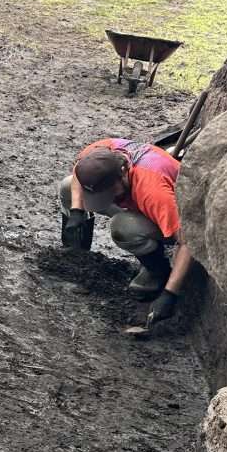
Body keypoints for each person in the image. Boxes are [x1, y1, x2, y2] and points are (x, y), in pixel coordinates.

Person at [59, 138, 192, 326]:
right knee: (68, 186)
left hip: (174, 219)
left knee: (123, 226)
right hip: (142, 203)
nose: (110, 198)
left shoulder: (153, 192)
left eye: (111, 191)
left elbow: (188, 241)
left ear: (123, 171)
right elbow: (78, 174)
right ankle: (76, 257)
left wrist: (170, 294)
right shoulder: (98, 155)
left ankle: (157, 270)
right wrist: (76, 211)